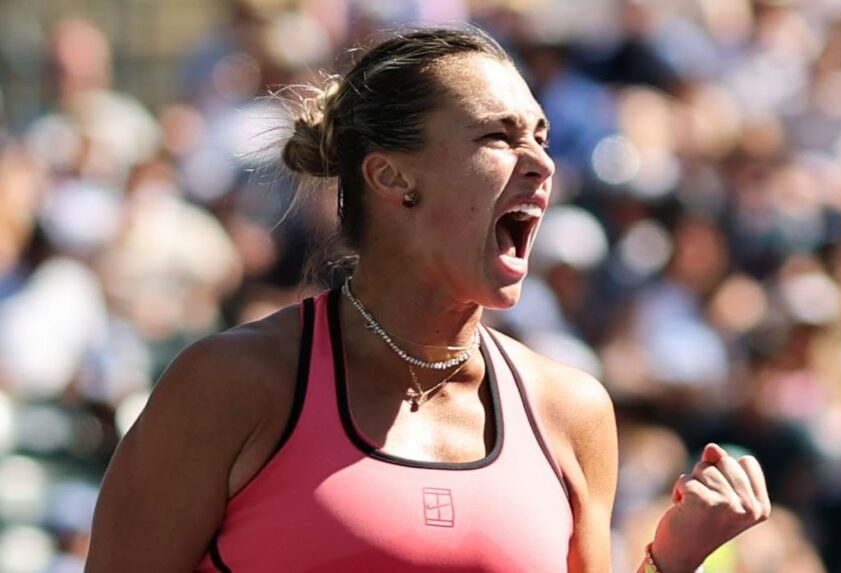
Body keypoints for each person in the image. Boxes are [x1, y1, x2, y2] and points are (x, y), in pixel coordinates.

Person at [85, 27, 770, 572]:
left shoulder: (573, 410)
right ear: (391, 176)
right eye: (497, 136)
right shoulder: (227, 386)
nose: (541, 161)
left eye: (540, 135)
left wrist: (673, 557)